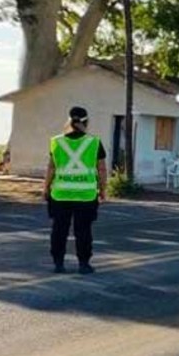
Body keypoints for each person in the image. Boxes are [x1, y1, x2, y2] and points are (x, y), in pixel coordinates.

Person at [44, 106, 108, 274]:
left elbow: (51, 168)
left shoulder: (56, 142)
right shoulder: (94, 142)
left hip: (60, 194)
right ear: (86, 122)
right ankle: (84, 264)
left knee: (59, 230)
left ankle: (58, 263)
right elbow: (101, 169)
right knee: (83, 231)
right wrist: (103, 189)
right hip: (85, 196)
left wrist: (45, 188)